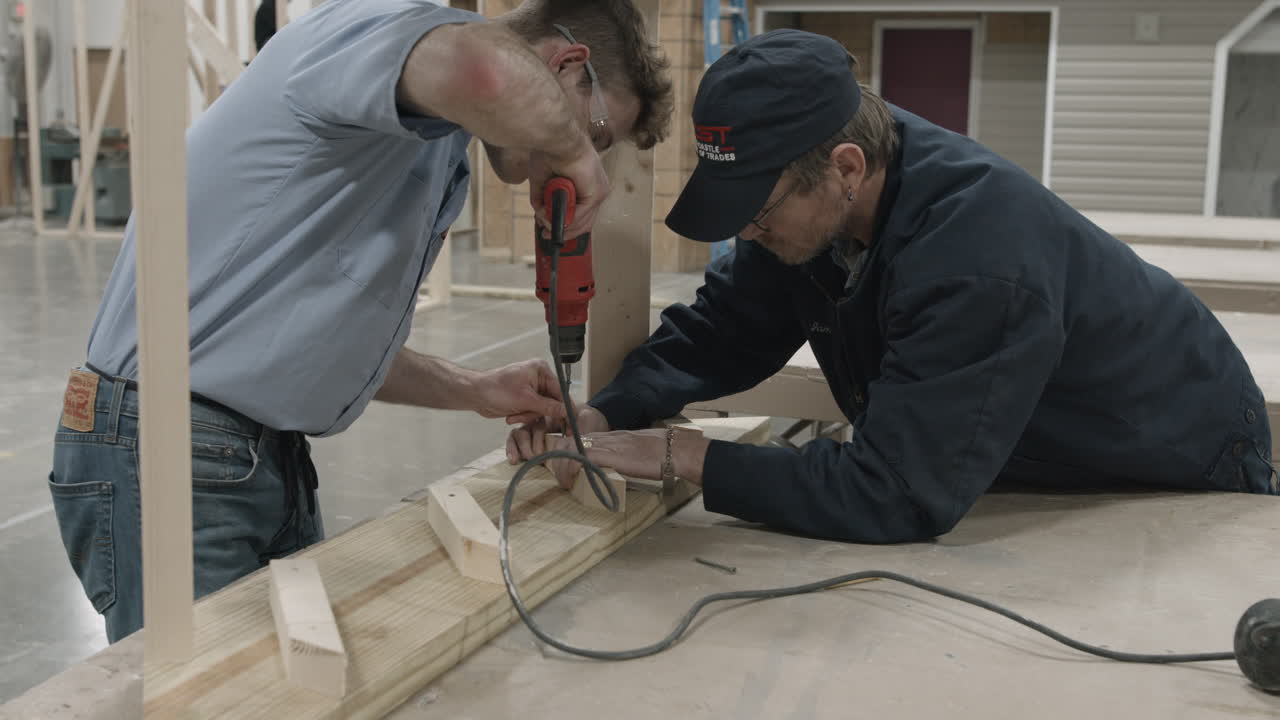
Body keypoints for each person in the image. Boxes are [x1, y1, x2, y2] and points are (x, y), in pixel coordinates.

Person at [49, 0, 672, 643]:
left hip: (250, 450)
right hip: (168, 439)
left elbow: (303, 343)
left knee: (278, 681)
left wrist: (477, 389)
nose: (585, 159)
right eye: (599, 135)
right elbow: (485, 71)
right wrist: (573, 150)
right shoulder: (379, 31)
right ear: (566, 64)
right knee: (202, 685)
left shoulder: (429, 142)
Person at [510, 29, 1276, 545]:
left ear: (845, 169)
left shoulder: (978, 257)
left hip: (1168, 453)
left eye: (759, 212)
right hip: (1024, 445)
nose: (749, 232)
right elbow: (728, 327)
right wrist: (607, 409)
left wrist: (686, 454)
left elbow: (898, 494)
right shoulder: (815, 182)